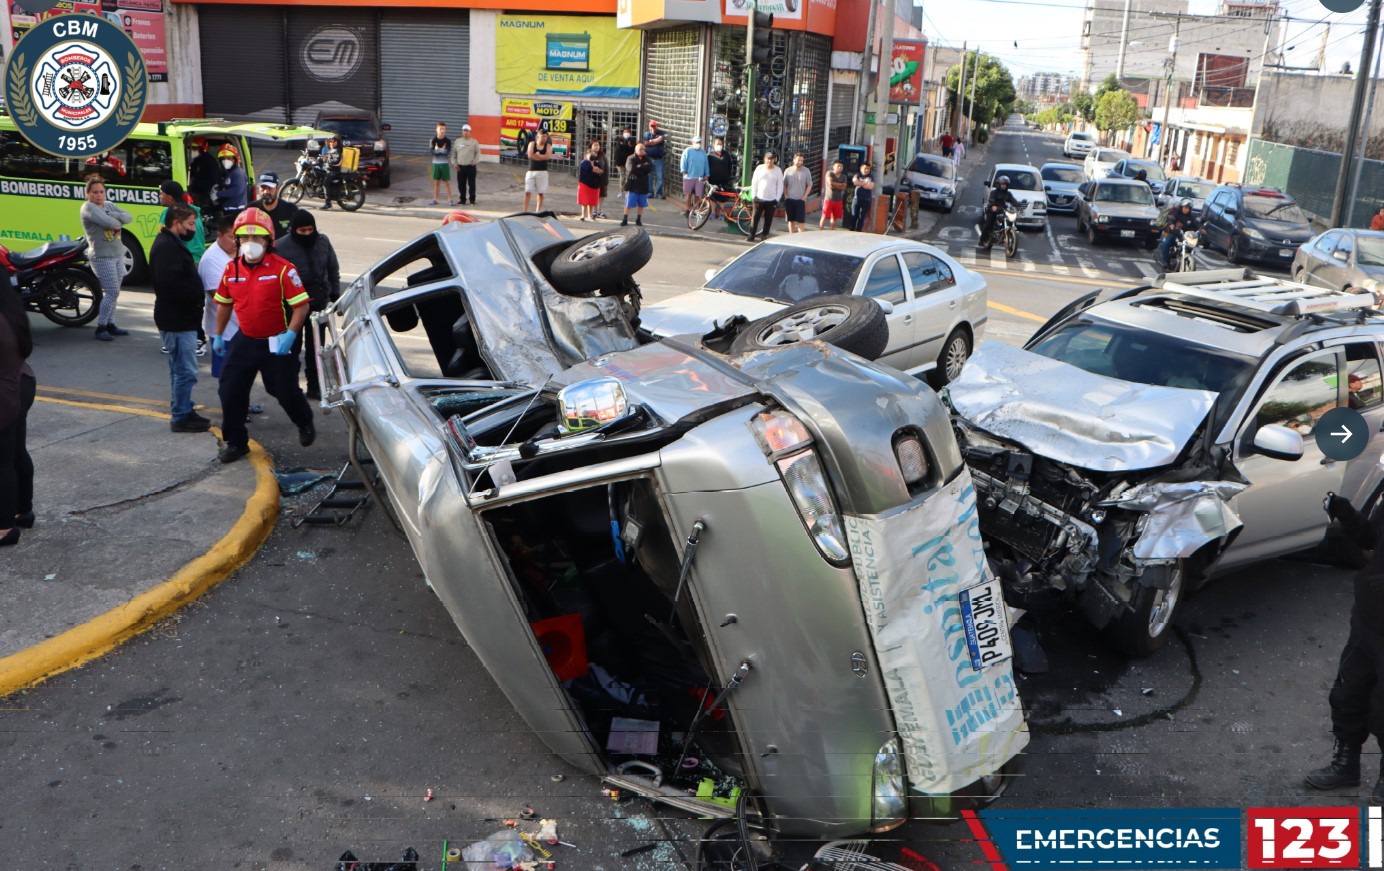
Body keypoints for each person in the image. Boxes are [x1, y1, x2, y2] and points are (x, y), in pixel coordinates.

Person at [210, 207, 316, 464]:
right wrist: (218, 335)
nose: (250, 243)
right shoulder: (232, 269)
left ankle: (304, 421)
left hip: (277, 340)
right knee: (230, 390)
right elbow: (224, 303)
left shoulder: (283, 269)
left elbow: (301, 306)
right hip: (245, 339)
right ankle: (236, 442)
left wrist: (291, 334)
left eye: (257, 238)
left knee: (283, 390)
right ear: (237, 240)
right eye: (245, 238)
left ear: (268, 240)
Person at [1305, 492, 1384, 801]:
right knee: (1348, 695)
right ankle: (1345, 765)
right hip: (1367, 620)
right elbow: (1371, 539)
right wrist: (1345, 512)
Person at [150, 205, 211, 434]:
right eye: (189, 224)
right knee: (185, 371)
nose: (193, 228)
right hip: (177, 319)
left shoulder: (172, 244)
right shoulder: (167, 247)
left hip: (181, 318)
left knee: (180, 369)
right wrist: (194, 298)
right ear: (176, 222)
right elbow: (169, 285)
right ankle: (181, 416)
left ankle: (184, 409)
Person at [274, 210, 340, 401]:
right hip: (292, 309)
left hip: (318, 306)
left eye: (310, 230)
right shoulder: (281, 247)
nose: (307, 234)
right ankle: (291, 388)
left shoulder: (323, 241)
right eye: (302, 231)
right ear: (294, 230)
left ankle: (314, 387)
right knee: (291, 350)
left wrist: (334, 294)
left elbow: (332, 268)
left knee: (316, 351)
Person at [0, 271, 35, 546]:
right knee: (16, 452)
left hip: (5, 393)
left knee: (2, 461)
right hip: (22, 382)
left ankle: (4, 528)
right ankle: (23, 510)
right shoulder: (12, 310)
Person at [81, 177, 133, 341]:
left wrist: (114, 215)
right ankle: (101, 327)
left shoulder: (108, 205)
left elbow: (129, 217)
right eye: (95, 192)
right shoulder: (88, 208)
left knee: (115, 293)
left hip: (117, 253)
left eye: (101, 192)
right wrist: (117, 219)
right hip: (102, 256)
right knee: (112, 292)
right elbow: (111, 223)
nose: (99, 195)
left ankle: (111, 324)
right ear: (88, 193)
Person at [200, 214, 239, 382]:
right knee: (226, 374)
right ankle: (231, 406)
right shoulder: (211, 260)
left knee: (242, 371)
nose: (236, 241)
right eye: (231, 237)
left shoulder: (242, 250)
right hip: (224, 329)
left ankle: (242, 402)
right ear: (220, 235)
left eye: (239, 237)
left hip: (243, 326)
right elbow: (218, 297)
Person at [249, 171, 299, 240]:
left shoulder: (290, 209)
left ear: (277, 188)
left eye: (270, 188)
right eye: (263, 188)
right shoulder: (251, 209)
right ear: (258, 188)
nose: (266, 192)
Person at [748, 151, 784, 243]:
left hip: (771, 199)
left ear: (774, 160)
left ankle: (765, 235)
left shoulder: (778, 170)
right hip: (759, 198)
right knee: (755, 217)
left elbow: (780, 186)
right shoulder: (759, 168)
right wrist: (753, 196)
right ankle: (751, 235)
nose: (770, 161)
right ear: (765, 159)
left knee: (768, 219)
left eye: (772, 159)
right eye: (768, 159)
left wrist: (777, 199)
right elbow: (754, 182)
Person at [979, 175, 1022, 248]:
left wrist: (1018, 205)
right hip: (993, 210)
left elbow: (1013, 200)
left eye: (1006, 185)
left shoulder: (1008, 194)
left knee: (1011, 219)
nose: (1004, 186)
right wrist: (994, 206)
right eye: (1003, 184)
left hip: (1003, 210)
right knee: (988, 224)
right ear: (999, 185)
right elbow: (992, 200)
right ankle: (982, 240)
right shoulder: (994, 193)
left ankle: (1008, 234)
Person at [1158, 199, 1200, 268]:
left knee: (1191, 246)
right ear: (1181, 207)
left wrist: (1201, 230)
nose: (1186, 210)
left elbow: (1196, 225)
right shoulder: (1176, 213)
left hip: (1185, 236)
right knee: (1166, 244)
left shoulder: (1191, 216)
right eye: (1185, 208)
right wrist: (1172, 224)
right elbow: (1171, 219)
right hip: (1174, 233)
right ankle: (1166, 262)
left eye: (1188, 208)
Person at [621, 141, 653, 227]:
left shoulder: (647, 158)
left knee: (641, 204)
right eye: (640, 149)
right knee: (629, 203)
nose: (642, 150)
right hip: (633, 185)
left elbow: (649, 167)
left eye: (643, 149)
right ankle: (625, 219)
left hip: (643, 185)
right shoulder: (630, 158)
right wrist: (643, 168)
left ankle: (638, 219)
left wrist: (640, 166)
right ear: (636, 150)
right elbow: (631, 169)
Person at [782, 152, 812, 234]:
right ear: (794, 160)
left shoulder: (806, 171)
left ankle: (800, 238)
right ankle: (791, 236)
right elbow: (784, 184)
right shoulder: (787, 171)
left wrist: (804, 197)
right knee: (790, 220)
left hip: (800, 200)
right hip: (790, 199)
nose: (800, 162)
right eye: (799, 160)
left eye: (802, 161)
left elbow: (809, 185)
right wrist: (786, 195)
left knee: (801, 221)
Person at [213, 143, 248, 213]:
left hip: (236, 211)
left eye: (229, 158)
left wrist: (218, 194)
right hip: (229, 210)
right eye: (223, 158)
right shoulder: (229, 173)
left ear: (235, 159)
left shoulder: (239, 173)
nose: (226, 161)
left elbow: (236, 190)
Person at [680, 136, 709, 218]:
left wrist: (707, 174)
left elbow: (706, 164)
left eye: (699, 142)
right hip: (689, 177)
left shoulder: (703, 152)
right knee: (688, 195)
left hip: (699, 177)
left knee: (697, 195)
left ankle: (696, 211)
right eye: (696, 142)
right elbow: (683, 162)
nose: (698, 144)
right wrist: (684, 172)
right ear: (692, 143)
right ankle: (687, 210)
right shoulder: (687, 151)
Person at [187, 138, 220, 210]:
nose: (192, 150)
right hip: (196, 192)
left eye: (195, 148)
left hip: (205, 195)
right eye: (190, 148)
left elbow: (212, 181)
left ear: (201, 149)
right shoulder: (196, 160)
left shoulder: (209, 162)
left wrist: (194, 183)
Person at [524, 128, 552, 212]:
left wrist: (537, 155)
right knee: (527, 191)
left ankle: (537, 210)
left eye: (545, 136)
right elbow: (530, 155)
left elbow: (547, 157)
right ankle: (525, 210)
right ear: (538, 136)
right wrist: (541, 157)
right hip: (531, 171)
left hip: (542, 171)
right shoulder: (532, 144)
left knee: (540, 193)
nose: (544, 138)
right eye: (542, 136)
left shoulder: (548, 146)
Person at [577, 141, 605, 222]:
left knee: (591, 201)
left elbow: (601, 171)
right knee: (584, 200)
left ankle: (590, 215)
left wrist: (595, 169)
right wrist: (594, 169)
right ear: (586, 155)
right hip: (585, 184)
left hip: (594, 184)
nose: (592, 156)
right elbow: (591, 169)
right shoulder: (584, 162)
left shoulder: (597, 162)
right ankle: (583, 215)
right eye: (590, 154)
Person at [453, 123, 480, 206]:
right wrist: (455, 163)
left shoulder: (474, 142)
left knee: (471, 184)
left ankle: (472, 200)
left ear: (470, 132)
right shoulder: (457, 141)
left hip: (470, 167)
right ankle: (462, 199)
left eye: (467, 131)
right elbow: (453, 154)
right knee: (461, 184)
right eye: (464, 131)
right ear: (462, 132)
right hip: (460, 167)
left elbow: (478, 153)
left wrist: (474, 162)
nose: (465, 133)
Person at [707, 138, 735, 219]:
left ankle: (721, 214)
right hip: (713, 180)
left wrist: (728, 176)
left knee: (722, 198)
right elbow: (707, 166)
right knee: (713, 197)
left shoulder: (726, 154)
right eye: (717, 144)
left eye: (720, 144)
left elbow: (730, 166)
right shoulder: (710, 155)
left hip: (724, 180)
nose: (719, 146)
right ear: (714, 145)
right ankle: (712, 213)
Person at [641, 120, 667, 199]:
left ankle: (659, 193)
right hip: (649, 159)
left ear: (656, 126)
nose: (653, 128)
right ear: (649, 127)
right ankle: (650, 192)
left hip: (659, 159)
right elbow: (645, 143)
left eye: (654, 126)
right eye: (651, 126)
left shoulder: (661, 133)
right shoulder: (646, 134)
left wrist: (651, 141)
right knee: (649, 177)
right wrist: (655, 141)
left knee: (660, 177)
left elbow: (661, 139)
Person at [429, 122, 453, 206]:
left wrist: (437, 149)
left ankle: (450, 200)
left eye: (444, 129)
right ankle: (435, 199)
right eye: (440, 129)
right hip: (435, 163)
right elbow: (432, 152)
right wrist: (441, 149)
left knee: (446, 183)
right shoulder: (433, 140)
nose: (442, 131)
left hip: (444, 164)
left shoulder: (448, 141)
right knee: (436, 183)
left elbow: (447, 152)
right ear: (436, 129)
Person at [319, 134, 345, 209]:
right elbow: (326, 156)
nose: (331, 143)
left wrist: (327, 161)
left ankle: (328, 203)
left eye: (333, 141)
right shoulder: (333, 150)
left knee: (325, 183)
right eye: (330, 142)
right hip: (330, 170)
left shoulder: (338, 150)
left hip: (334, 171)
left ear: (337, 142)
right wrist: (320, 159)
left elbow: (336, 161)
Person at [820, 160, 847, 230]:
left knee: (834, 217)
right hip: (829, 199)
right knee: (825, 216)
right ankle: (821, 229)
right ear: (833, 166)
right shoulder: (829, 173)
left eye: (841, 166)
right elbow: (830, 184)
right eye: (838, 166)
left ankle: (831, 230)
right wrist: (840, 185)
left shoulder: (843, 177)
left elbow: (844, 187)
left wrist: (836, 185)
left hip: (838, 200)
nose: (840, 168)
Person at [850, 162, 876, 232]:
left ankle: (858, 231)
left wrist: (860, 183)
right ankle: (852, 230)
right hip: (856, 199)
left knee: (861, 217)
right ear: (861, 168)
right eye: (865, 168)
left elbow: (870, 186)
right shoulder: (857, 175)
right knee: (854, 215)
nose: (866, 170)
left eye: (868, 169)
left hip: (866, 200)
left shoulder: (871, 177)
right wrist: (865, 183)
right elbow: (855, 182)